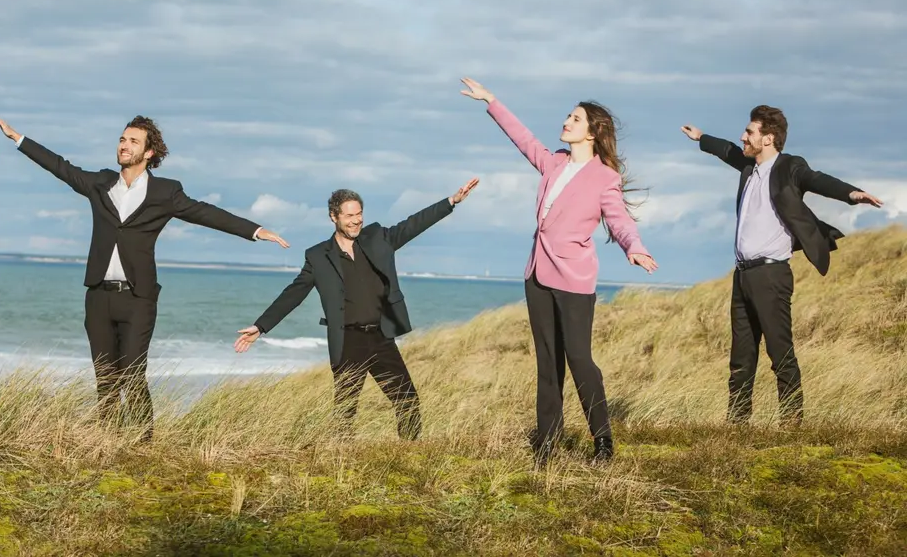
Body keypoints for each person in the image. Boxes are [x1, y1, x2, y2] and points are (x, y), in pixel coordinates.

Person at [0, 113, 289, 441]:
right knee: (105, 377)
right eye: (121, 139)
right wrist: (17, 137)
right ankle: (109, 442)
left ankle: (144, 442)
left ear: (149, 153)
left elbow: (206, 213)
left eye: (133, 141)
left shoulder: (165, 192)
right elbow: (60, 167)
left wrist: (255, 230)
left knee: (132, 375)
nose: (124, 145)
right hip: (98, 295)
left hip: (138, 298)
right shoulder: (100, 183)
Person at [460, 78, 657, 464]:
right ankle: (547, 446)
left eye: (575, 118)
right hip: (537, 276)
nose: (567, 121)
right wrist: (493, 101)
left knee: (580, 360)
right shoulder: (554, 162)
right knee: (547, 363)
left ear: (592, 132)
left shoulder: (605, 178)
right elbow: (523, 138)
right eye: (569, 115)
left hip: (574, 281)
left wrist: (634, 247)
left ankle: (602, 440)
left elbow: (618, 220)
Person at [680, 108, 882, 426]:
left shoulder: (789, 167)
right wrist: (701, 138)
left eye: (750, 132)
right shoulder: (749, 166)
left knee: (779, 350)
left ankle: (791, 422)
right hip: (743, 274)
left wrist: (851, 194)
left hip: (772, 274)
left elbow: (816, 180)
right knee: (741, 356)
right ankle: (737, 422)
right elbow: (727, 151)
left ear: (768, 138)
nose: (743, 137)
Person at [235, 179, 480, 440]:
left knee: (407, 401)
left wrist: (450, 202)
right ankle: (340, 462)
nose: (356, 220)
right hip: (347, 341)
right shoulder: (318, 256)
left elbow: (413, 224)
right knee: (345, 410)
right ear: (334, 217)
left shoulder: (378, 238)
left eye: (359, 214)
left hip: (381, 337)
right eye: (349, 215)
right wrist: (261, 326)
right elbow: (294, 294)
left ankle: (409, 454)